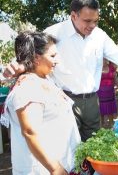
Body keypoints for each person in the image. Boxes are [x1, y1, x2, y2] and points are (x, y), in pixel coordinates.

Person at [3, 0, 118, 142]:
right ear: (73, 16)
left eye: (96, 21)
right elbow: (32, 49)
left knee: (94, 145)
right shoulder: (55, 32)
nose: (92, 26)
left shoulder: (99, 36)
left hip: (91, 102)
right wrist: (17, 64)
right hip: (63, 100)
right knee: (67, 147)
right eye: (87, 21)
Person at [0, 31, 81, 174]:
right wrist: (55, 168)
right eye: (52, 56)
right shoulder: (27, 88)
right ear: (36, 58)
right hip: (44, 169)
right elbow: (30, 132)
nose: (57, 60)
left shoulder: (42, 78)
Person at [96, 58, 118, 128]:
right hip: (100, 93)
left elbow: (115, 78)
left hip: (110, 93)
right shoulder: (97, 68)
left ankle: (111, 125)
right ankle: (101, 126)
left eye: (105, 59)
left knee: (110, 110)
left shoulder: (112, 67)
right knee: (100, 110)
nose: (103, 61)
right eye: (102, 59)